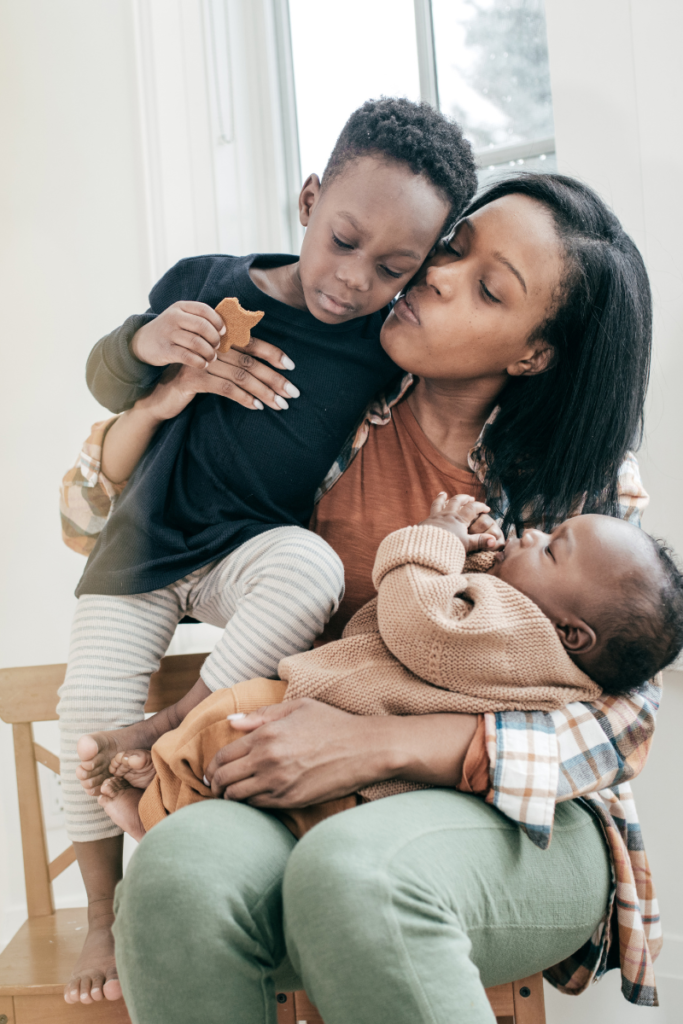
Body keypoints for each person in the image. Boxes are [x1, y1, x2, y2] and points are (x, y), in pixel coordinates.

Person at [61, 174, 660, 1017]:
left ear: (532, 352)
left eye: (488, 288)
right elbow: (98, 523)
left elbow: (624, 719)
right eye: (453, 247)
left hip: (517, 821)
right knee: (173, 879)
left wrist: (380, 745)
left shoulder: (576, 481)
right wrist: (163, 401)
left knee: (357, 877)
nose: (438, 275)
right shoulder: (323, 399)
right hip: (306, 794)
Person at [56, 96, 479, 1004]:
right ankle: (101, 912)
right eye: (343, 239)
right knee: (85, 714)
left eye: (392, 268)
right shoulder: (210, 280)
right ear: (308, 198)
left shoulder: (383, 349)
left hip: (248, 550)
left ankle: (175, 727)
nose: (352, 279)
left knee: (312, 570)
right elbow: (104, 374)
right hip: (143, 545)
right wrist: (148, 342)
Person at [95, 494, 683, 845]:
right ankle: (163, 795)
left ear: (571, 634)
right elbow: (463, 617)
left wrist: (436, 539)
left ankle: (158, 815)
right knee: (225, 732)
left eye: (552, 548)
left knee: (228, 722)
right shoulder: (534, 642)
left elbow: (421, 626)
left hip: (355, 751)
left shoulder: (524, 637)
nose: (532, 531)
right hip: (347, 736)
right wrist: (479, 556)